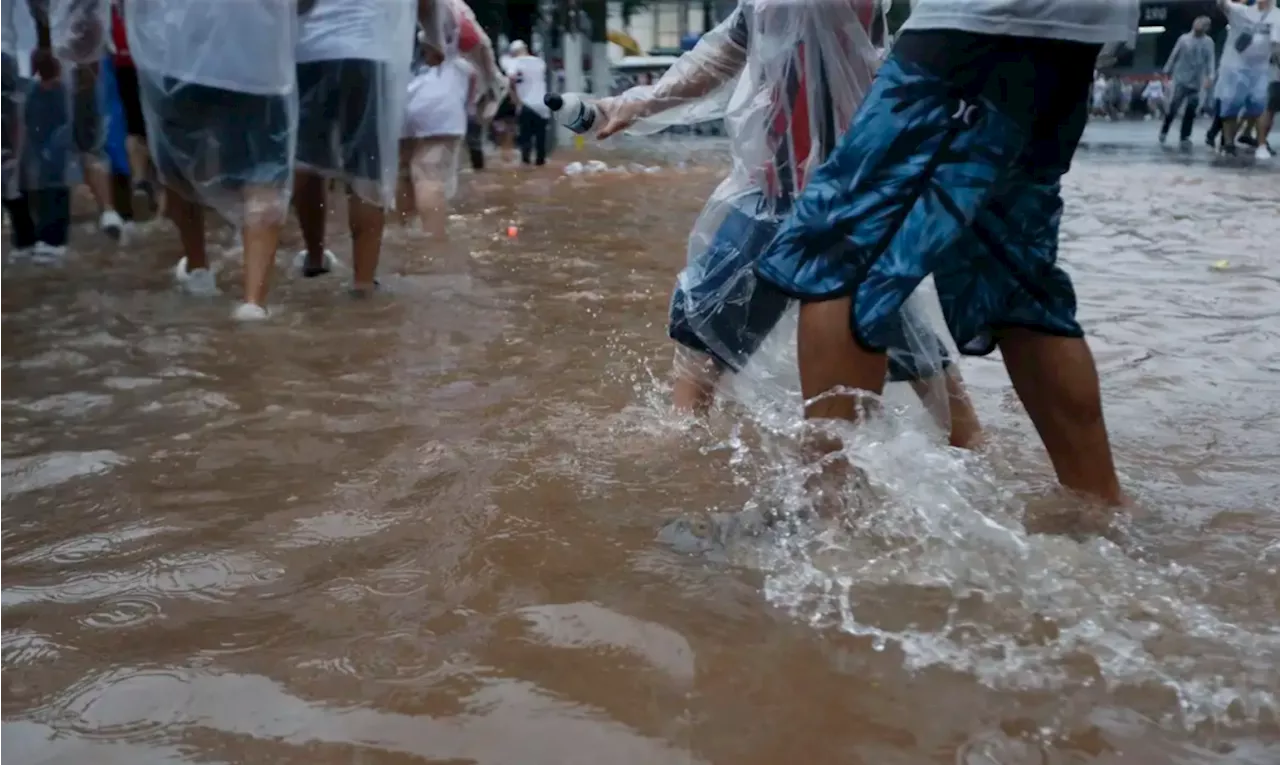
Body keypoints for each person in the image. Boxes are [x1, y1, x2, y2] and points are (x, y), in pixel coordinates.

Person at [752, 0, 1138, 506]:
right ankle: (1100, 512)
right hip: (1072, 32)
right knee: (1015, 278)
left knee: (838, 246)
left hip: (980, 26)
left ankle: (825, 515)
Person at [590, 0, 982, 448]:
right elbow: (725, 51)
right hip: (774, 188)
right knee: (708, 314)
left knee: (891, 322)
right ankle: (679, 454)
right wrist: (635, 104)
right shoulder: (762, 4)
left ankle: (968, 443)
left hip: (844, 189)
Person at [126, 0, 299, 315]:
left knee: (180, 163)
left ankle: (198, 269)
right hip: (258, 62)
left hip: (179, 60)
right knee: (264, 176)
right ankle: (253, 303)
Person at [291, 0, 414, 292]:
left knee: (305, 159)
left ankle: (316, 256)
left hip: (309, 50)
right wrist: (436, 40)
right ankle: (362, 281)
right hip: (367, 50)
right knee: (367, 165)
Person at [1213, 0, 1279, 157]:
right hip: (1234, 66)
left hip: (1260, 68)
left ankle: (1261, 144)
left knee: (1260, 106)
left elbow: (1277, 45)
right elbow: (1222, 4)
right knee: (1231, 104)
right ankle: (1228, 144)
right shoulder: (1241, 11)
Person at [1160, 15, 1216, 146]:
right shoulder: (1184, 39)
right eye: (1197, 23)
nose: (1199, 27)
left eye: (1203, 25)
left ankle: (1185, 136)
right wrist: (1166, 71)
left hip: (1197, 81)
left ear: (1206, 28)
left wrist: (1210, 76)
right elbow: (1174, 55)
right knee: (1173, 107)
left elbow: (1210, 61)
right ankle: (1164, 130)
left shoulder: (1208, 42)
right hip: (1181, 79)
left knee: (1191, 107)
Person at [505, 39, 548, 166]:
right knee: (541, 140)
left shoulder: (515, 62)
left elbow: (511, 78)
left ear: (514, 52)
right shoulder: (540, 62)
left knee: (526, 139)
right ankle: (541, 164)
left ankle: (526, 166)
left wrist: (515, 98)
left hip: (526, 105)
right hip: (542, 104)